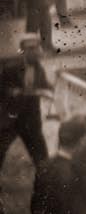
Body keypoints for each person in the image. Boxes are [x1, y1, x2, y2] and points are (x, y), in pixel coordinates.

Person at [2, 35, 52, 169]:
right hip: (11, 118)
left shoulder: (39, 69)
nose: (36, 51)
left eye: (37, 47)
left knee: (41, 157)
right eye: (31, 48)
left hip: (31, 119)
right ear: (23, 51)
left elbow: (45, 87)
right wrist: (13, 92)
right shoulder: (11, 68)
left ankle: (44, 183)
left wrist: (51, 87)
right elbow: (3, 89)